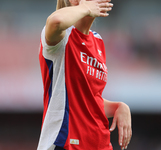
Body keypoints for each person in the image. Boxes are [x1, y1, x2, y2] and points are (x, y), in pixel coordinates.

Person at [37, 0, 132, 149]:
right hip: (66, 143)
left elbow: (87, 99)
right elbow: (56, 21)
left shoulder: (97, 40)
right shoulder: (62, 36)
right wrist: (86, 8)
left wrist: (118, 107)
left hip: (100, 144)